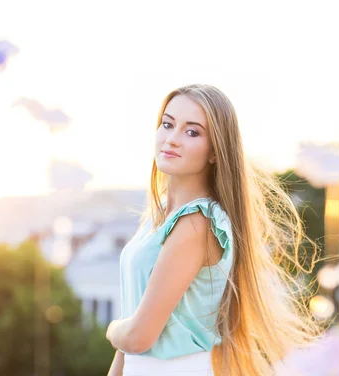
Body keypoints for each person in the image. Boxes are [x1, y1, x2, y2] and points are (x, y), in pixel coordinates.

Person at [106, 84, 321, 375]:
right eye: (167, 124)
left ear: (215, 152)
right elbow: (132, 333)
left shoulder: (197, 223)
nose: (172, 139)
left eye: (192, 132)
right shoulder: (159, 221)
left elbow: (138, 336)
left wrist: (113, 329)